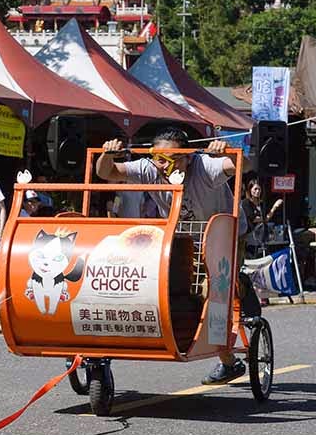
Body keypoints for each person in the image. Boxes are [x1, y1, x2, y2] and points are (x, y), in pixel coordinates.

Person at [97, 125, 254, 385]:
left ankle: (228, 361)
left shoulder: (205, 166)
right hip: (182, 240)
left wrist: (227, 153)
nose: (165, 166)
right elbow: (108, 172)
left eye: (174, 159)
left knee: (211, 291)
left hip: (224, 236)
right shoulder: (149, 168)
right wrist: (107, 154)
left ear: (188, 156)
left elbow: (242, 166)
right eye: (160, 159)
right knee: (158, 286)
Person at [241, 179, 283, 259]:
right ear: (250, 190)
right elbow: (255, 219)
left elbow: (266, 219)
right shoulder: (246, 203)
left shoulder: (261, 203)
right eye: (255, 189)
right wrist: (273, 208)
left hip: (261, 238)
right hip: (250, 239)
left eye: (259, 189)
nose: (257, 191)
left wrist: (273, 209)